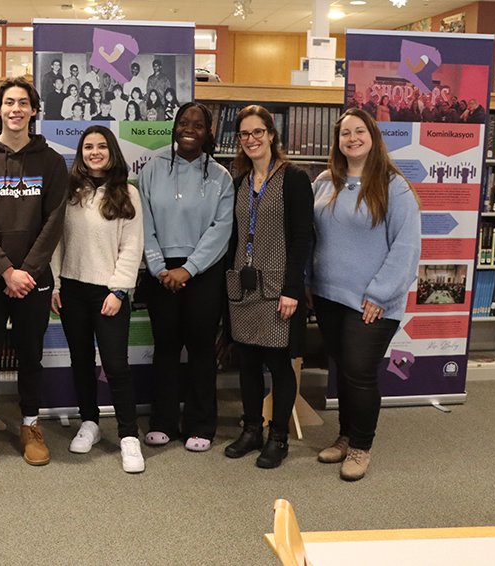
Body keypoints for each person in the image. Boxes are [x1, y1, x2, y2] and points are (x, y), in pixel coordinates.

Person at [0, 76, 68, 467]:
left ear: (35, 111)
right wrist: (7, 271)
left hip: (34, 279)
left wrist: (28, 272)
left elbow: (54, 221)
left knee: (31, 355)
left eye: (24, 103)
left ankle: (30, 424)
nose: (16, 109)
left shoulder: (52, 162)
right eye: (9, 102)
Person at [309, 108, 421, 481]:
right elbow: (311, 236)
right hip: (327, 295)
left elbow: (405, 248)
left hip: (372, 301)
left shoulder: (394, 186)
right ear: (337, 141)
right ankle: (344, 436)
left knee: (359, 371)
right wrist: (308, 280)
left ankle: (361, 447)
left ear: (373, 137)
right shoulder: (326, 182)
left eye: (359, 131)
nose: (352, 138)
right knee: (343, 368)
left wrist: (380, 293)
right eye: (345, 133)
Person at [138, 102, 234, 452]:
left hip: (203, 273)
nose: (189, 128)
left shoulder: (222, 177)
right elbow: (144, 222)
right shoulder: (152, 168)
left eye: (198, 124)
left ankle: (200, 425)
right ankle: (162, 421)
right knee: (165, 349)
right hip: (160, 271)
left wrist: (188, 269)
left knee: (200, 351)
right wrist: (159, 265)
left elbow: (221, 229)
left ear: (209, 132)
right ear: (174, 126)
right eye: (183, 122)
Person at [221, 105, 313, 469]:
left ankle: (278, 436)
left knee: (278, 364)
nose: (251, 140)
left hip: (277, 288)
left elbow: (303, 237)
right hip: (243, 287)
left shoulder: (293, 179)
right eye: (244, 134)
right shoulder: (240, 181)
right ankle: (251, 429)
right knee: (247, 363)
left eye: (258, 132)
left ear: (272, 135)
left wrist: (293, 288)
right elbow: (235, 235)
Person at [50, 126, 145, 473]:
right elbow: (57, 242)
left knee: (116, 366)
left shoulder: (128, 194)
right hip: (73, 290)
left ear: (112, 151)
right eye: (88, 146)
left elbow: (132, 247)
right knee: (80, 362)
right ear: (80, 153)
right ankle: (88, 422)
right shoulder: (70, 192)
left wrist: (119, 290)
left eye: (101, 146)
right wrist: (57, 285)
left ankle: (128, 435)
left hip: (110, 293)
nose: (94, 152)